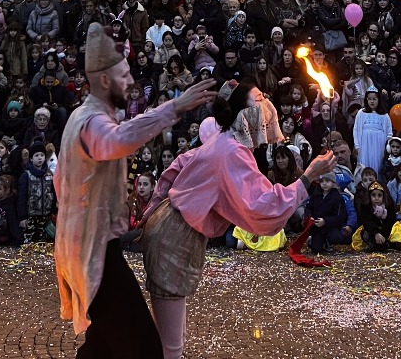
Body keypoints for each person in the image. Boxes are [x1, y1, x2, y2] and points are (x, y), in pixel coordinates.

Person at [140, 79, 336, 359]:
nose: (266, 105)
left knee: (172, 340)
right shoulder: (231, 150)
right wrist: (308, 177)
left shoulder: (223, 140)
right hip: (175, 234)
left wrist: (152, 211)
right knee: (170, 346)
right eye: (259, 100)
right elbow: (262, 206)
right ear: (244, 114)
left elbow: (178, 166)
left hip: (174, 229)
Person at [53, 23, 215, 358]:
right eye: (124, 75)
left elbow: (60, 180)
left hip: (89, 248)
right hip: (94, 255)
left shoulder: (81, 116)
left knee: (104, 347)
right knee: (143, 349)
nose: (130, 82)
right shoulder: (92, 122)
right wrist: (174, 107)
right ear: (104, 80)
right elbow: (119, 140)